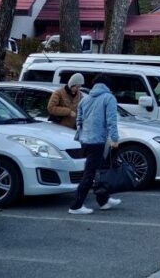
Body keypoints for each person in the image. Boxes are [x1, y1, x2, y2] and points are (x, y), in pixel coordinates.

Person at [68, 74, 122, 215]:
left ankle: (103, 200)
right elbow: (111, 120)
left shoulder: (85, 99)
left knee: (100, 170)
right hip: (97, 141)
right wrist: (114, 139)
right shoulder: (109, 98)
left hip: (85, 140)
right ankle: (76, 206)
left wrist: (82, 133)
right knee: (90, 173)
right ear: (107, 85)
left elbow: (79, 119)